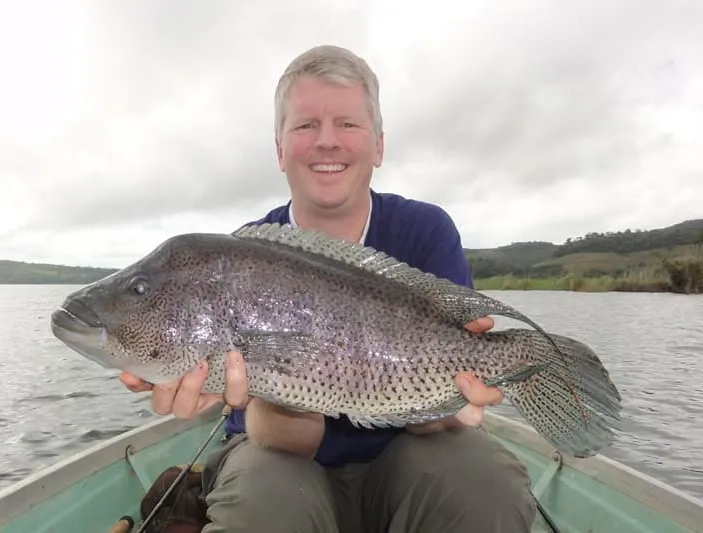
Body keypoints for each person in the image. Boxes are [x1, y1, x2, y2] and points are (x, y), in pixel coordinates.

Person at [121, 44, 537, 533]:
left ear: (379, 144)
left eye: (347, 123)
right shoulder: (234, 259)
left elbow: (435, 425)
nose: (327, 141)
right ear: (279, 149)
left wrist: (452, 404)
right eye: (304, 125)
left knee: (484, 483)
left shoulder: (426, 230)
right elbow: (279, 439)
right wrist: (261, 391)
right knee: (263, 505)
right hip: (280, 456)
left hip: (405, 454)